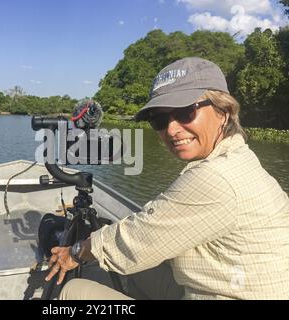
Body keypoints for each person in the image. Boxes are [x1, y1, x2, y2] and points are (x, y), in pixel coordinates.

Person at [45, 57, 289, 300]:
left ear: (223, 112)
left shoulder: (214, 177)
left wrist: (75, 252)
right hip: (230, 282)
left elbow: (136, 240)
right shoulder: (238, 158)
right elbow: (148, 230)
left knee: (72, 292)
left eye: (186, 112)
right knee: (135, 265)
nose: (171, 130)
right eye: (159, 119)